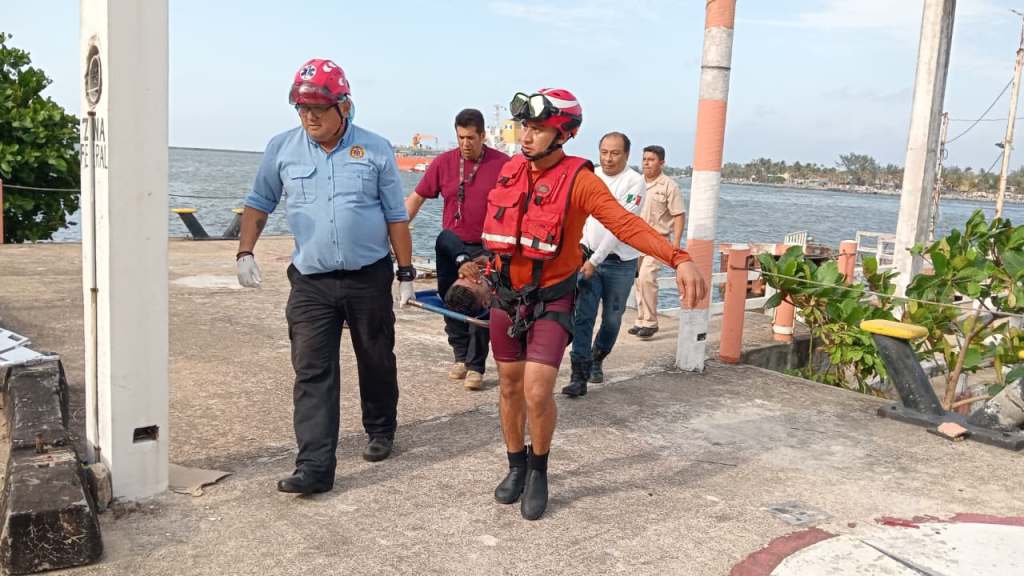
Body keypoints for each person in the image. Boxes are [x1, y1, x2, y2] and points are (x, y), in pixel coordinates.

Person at [457, 88, 706, 520]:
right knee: (510, 386)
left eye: (539, 129)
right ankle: (515, 465)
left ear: (564, 134)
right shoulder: (510, 169)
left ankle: (539, 469)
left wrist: (678, 257)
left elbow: (625, 224)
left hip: (551, 299)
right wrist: (472, 262)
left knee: (538, 391)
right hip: (505, 296)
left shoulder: (580, 180)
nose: (527, 136)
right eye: (526, 127)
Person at [236, 58, 415, 494]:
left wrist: (406, 273)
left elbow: (395, 215)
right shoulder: (281, 148)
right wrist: (245, 251)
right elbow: (259, 202)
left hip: (368, 277)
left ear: (344, 107)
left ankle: (380, 427)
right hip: (311, 281)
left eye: (319, 108)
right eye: (302, 108)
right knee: (312, 370)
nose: (310, 116)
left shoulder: (375, 149)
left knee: (376, 357)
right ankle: (314, 466)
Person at [406, 109, 510, 390]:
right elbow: (416, 199)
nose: (465, 143)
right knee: (450, 298)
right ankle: (460, 356)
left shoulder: (503, 164)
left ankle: (476, 366)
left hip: (486, 247)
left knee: (479, 303)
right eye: (461, 137)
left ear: (483, 135)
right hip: (451, 246)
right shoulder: (443, 163)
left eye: (471, 138)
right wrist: (394, 233)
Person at [563, 132, 645, 398]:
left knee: (612, 318)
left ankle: (598, 357)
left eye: (615, 153)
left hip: (619, 263)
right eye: (604, 152)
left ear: (626, 155)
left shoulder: (635, 182)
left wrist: (595, 260)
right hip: (586, 256)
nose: (608, 158)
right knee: (583, 316)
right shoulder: (591, 176)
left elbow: (619, 226)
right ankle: (578, 375)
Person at [629, 145, 687, 339]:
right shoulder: (636, 183)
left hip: (657, 240)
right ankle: (641, 320)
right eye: (644, 159)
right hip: (634, 239)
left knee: (647, 277)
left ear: (661, 162)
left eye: (651, 159)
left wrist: (676, 243)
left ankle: (651, 322)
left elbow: (679, 215)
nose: (646, 163)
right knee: (637, 280)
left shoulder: (669, 186)